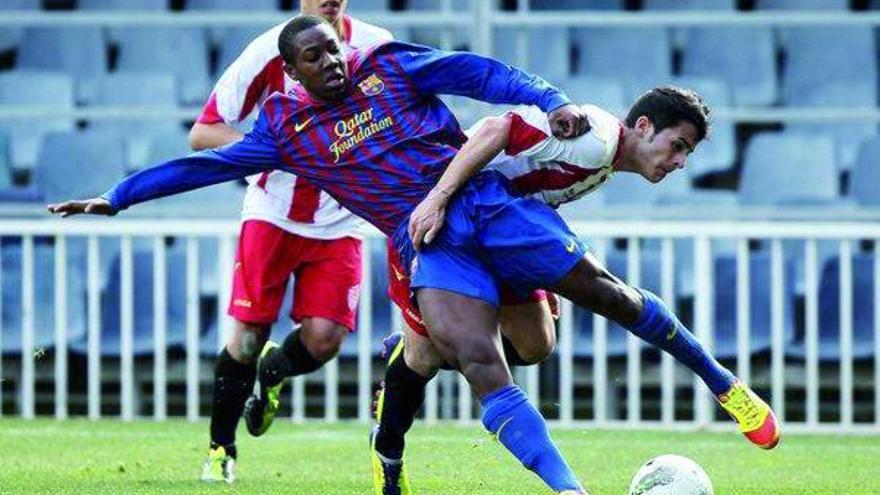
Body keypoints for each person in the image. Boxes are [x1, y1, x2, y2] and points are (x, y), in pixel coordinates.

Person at [48, 15, 592, 494]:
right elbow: (202, 158)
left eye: (334, 48)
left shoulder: (384, 59)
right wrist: (118, 197)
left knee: (533, 345)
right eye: (316, 56)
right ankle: (353, 453)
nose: (333, 61)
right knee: (412, 356)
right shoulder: (279, 107)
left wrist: (551, 98)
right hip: (363, 231)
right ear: (291, 68)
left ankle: (400, 357)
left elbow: (481, 73)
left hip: (425, 219)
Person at [371, 88, 782, 493]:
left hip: (497, 224)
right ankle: (724, 385)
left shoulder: (602, 164)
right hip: (443, 220)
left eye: (687, 154)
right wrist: (439, 197)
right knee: (424, 357)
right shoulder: (596, 136)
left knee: (535, 345)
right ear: (643, 126)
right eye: (677, 145)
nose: (679, 161)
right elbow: (496, 128)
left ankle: (414, 350)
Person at [186, 1, 394, 484]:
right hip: (273, 214)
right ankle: (221, 448)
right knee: (245, 338)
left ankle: (274, 372)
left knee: (324, 342)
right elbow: (203, 132)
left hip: (341, 218)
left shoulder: (376, 44)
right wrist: (273, 155)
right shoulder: (267, 51)